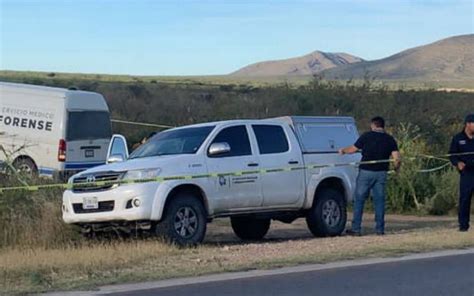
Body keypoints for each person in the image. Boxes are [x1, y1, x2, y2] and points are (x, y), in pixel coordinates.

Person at [339, 116, 401, 236]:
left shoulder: (366, 136)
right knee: (379, 201)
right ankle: (379, 229)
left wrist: (343, 151)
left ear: (373, 125)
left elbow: (352, 149)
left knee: (359, 200)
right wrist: (396, 169)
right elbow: (397, 158)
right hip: (381, 173)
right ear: (383, 126)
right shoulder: (390, 139)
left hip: (366, 172)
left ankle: (356, 229)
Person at [449, 114, 474, 232]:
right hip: (466, 173)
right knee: (465, 199)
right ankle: (463, 225)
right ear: (468, 124)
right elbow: (452, 154)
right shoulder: (458, 138)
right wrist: (457, 163)